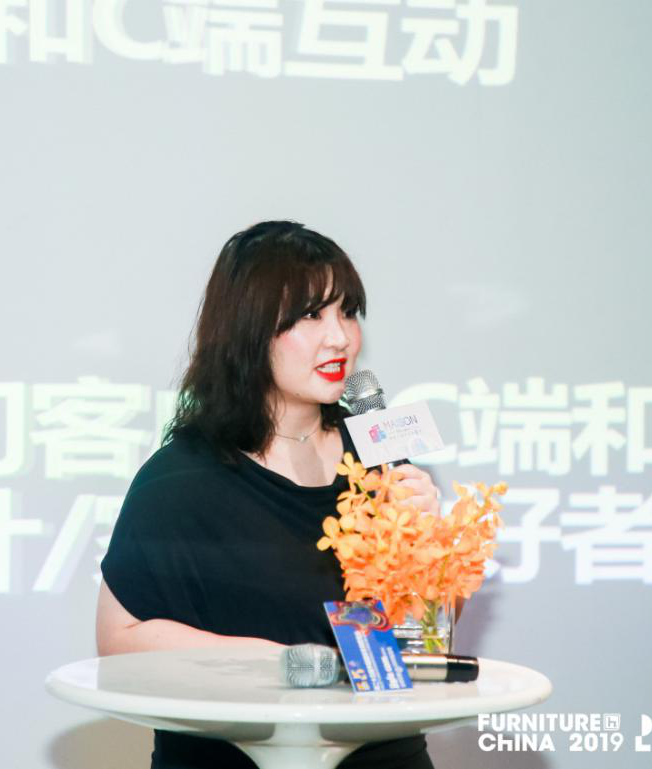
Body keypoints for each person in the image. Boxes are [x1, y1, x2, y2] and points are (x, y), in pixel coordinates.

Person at [97, 220, 442, 769]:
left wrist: (429, 552)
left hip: (381, 754)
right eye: (312, 316)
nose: (340, 338)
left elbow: (423, 641)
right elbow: (120, 642)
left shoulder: (380, 459)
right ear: (250, 329)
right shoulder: (182, 478)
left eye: (348, 312)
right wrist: (283, 664)